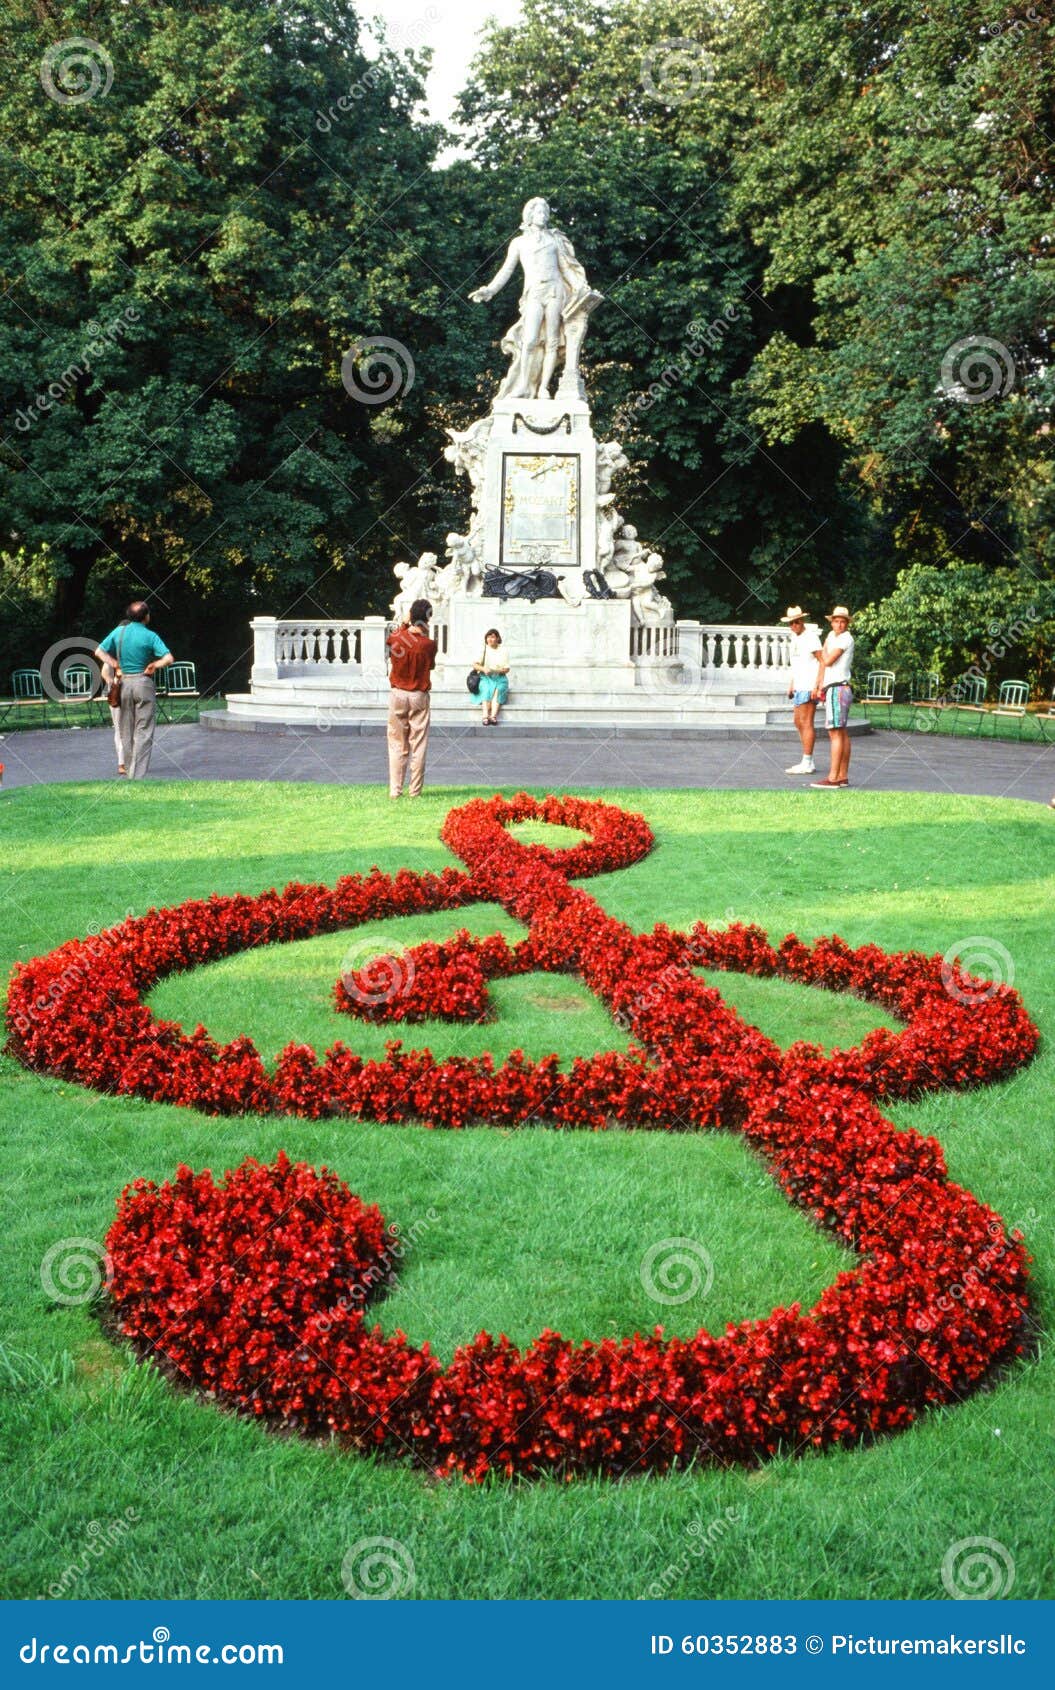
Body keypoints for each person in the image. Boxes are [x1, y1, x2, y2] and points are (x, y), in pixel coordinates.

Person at [94, 601, 173, 780]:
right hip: (143, 683)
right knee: (143, 729)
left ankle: (129, 771)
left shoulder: (118, 632)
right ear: (147, 617)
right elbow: (169, 658)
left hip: (123, 684)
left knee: (125, 729)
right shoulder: (150, 635)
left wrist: (115, 664)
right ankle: (137, 776)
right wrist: (155, 664)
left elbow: (98, 651)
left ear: (129, 616)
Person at [386, 598, 437, 798]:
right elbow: (430, 666)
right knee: (419, 743)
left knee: (397, 743)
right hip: (418, 695)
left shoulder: (398, 638)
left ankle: (395, 790)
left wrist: (406, 623)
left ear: (410, 615)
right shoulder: (429, 645)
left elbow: (392, 641)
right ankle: (414, 791)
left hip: (398, 693)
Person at [810, 606, 855, 789]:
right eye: (836, 620)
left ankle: (834, 777)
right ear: (832, 622)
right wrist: (818, 684)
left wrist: (818, 651)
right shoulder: (831, 636)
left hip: (839, 688)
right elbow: (823, 665)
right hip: (833, 687)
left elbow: (827, 660)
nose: (839, 624)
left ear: (847, 623)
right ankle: (842, 776)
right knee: (840, 732)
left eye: (842, 621)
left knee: (836, 733)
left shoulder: (846, 638)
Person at [780, 605, 823, 776]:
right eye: (791, 623)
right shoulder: (795, 638)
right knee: (798, 722)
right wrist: (792, 684)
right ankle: (807, 760)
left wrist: (817, 685)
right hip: (799, 685)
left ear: (802, 620)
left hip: (809, 686)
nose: (794, 625)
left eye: (796, 622)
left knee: (806, 723)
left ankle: (807, 761)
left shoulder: (811, 638)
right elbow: (797, 665)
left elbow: (822, 661)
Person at [99, 619, 128, 775]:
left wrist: (111, 682)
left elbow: (104, 672)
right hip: (120, 692)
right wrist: (112, 683)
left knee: (120, 729)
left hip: (119, 691)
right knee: (123, 728)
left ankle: (123, 762)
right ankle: (124, 762)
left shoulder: (113, 650)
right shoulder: (116, 652)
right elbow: (104, 672)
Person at [473, 629, 510, 725]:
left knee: (498, 690)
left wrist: (497, 671)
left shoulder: (503, 650)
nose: (490, 639)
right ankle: (485, 715)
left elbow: (506, 669)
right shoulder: (483, 649)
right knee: (486, 689)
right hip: (485, 677)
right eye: (488, 637)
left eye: (493, 637)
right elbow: (475, 665)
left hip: (500, 677)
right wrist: (484, 669)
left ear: (497, 638)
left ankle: (493, 716)